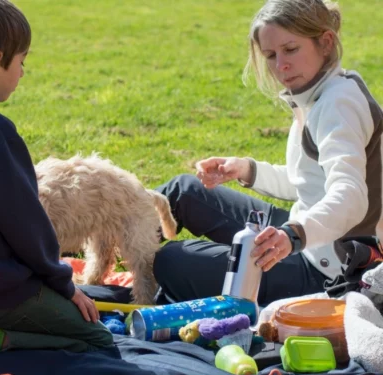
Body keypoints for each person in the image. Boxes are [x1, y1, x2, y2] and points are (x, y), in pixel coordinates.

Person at [153, 0, 383, 307]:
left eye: (291, 49)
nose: (280, 66)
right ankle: (109, 240)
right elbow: (309, 182)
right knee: (182, 192)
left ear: (326, 42)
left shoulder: (338, 105)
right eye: (271, 55)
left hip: (329, 271)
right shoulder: (321, 92)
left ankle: (124, 268)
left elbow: (351, 197)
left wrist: (293, 235)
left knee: (170, 261)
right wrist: (247, 170)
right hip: (306, 238)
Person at [0, 0, 113, 353]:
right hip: (0, 294)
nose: (23, 72)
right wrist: (64, 285)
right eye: (22, 61)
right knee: (99, 340)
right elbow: (27, 228)